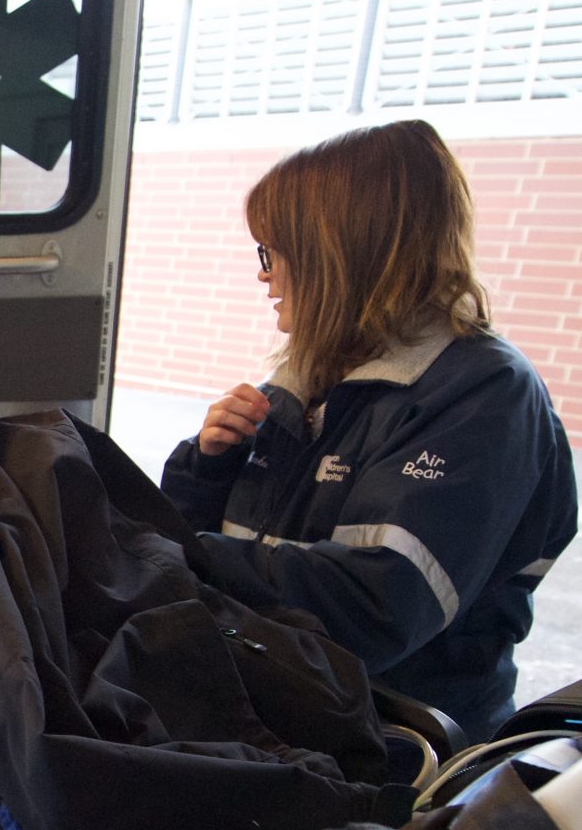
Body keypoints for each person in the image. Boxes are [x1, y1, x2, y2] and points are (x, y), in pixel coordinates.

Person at [161, 119, 576, 742]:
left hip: (391, 740)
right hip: (274, 698)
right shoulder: (305, 383)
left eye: (272, 253)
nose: (264, 276)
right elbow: (201, 537)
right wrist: (207, 469)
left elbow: (376, 607)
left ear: (339, 256)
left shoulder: (485, 395)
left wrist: (177, 556)